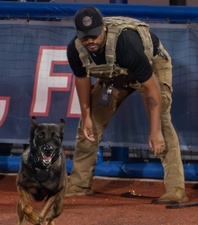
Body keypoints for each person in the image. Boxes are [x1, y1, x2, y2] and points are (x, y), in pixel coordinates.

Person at [65, 5, 188, 204]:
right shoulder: (75, 50)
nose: (90, 41)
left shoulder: (126, 44)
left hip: (151, 69)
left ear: (103, 27)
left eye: (94, 35)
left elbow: (152, 89)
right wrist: (86, 116)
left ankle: (176, 189)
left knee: (162, 123)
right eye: (85, 37)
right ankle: (79, 185)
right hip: (115, 76)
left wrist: (154, 130)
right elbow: (82, 80)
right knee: (89, 126)